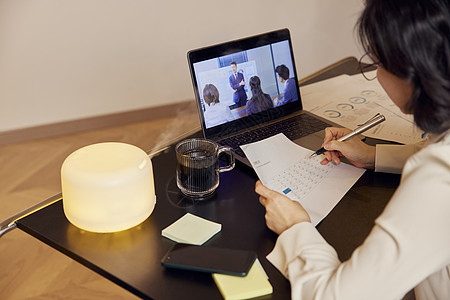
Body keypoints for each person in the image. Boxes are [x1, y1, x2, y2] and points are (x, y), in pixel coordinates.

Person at [255, 0, 450, 299]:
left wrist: (295, 228)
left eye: (377, 64)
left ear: (414, 71)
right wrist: (373, 155)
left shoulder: (439, 181)